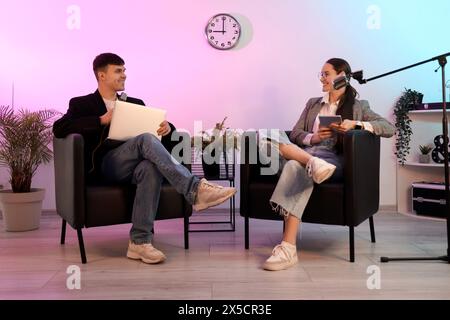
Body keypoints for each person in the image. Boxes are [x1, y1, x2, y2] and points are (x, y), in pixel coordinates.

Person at [53, 53, 236, 264]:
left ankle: (139, 242)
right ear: (101, 75)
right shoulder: (81, 104)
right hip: (105, 166)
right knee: (146, 140)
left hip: (135, 164)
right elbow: (60, 128)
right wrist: (101, 120)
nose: (124, 75)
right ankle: (195, 190)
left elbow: (159, 137)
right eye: (118, 71)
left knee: (150, 166)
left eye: (124, 70)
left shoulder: (135, 103)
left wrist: (168, 129)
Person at [260, 58, 395, 271]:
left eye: (326, 74)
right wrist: (313, 138)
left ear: (341, 77)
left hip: (332, 161)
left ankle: (287, 249)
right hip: (305, 152)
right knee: (266, 139)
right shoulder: (313, 103)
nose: (321, 78)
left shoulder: (359, 106)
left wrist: (356, 124)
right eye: (321, 74)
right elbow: (295, 133)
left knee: (295, 167)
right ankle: (311, 163)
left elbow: (388, 127)